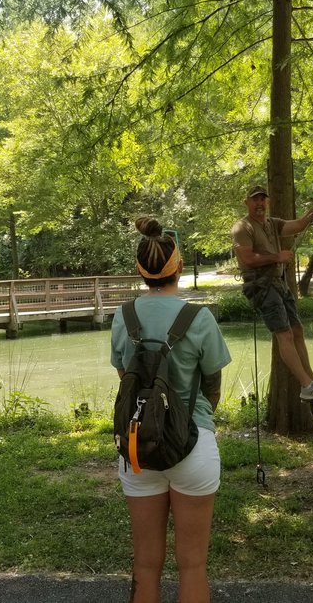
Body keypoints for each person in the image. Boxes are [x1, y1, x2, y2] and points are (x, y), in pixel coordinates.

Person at [111, 217, 231, 603]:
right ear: (178, 266)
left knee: (145, 563)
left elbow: (124, 378)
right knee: (192, 565)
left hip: (137, 446)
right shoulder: (199, 318)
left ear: (140, 270)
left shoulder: (123, 316)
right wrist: (197, 418)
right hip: (192, 445)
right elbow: (212, 384)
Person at [230, 185, 313, 401]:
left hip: (279, 283)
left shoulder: (271, 223)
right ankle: (306, 386)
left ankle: (312, 381)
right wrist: (277, 257)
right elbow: (247, 259)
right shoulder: (242, 227)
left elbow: (298, 225)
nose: (259, 203)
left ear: (267, 202)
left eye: (263, 200)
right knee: (284, 334)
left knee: (297, 330)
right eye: (255, 199)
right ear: (247, 203)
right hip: (261, 286)